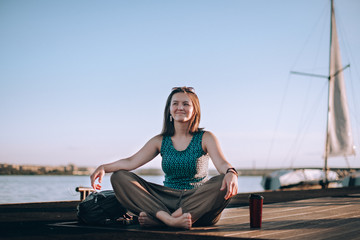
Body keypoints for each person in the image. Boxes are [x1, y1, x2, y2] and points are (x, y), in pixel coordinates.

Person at [90, 86, 238, 229]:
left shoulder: (206, 137)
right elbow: (130, 162)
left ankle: (162, 220)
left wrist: (231, 172)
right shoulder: (160, 141)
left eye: (186, 104)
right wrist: (104, 167)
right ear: (169, 110)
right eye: (175, 103)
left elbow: (222, 164)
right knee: (119, 177)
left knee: (222, 181)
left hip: (197, 205)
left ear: (194, 110)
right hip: (166, 200)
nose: (180, 107)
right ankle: (168, 219)